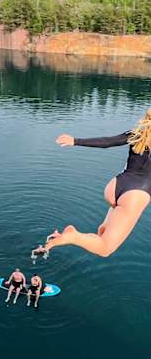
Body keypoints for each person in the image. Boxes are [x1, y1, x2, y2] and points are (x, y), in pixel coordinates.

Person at [34, 109, 151, 258]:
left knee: (101, 236)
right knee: (105, 249)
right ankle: (73, 236)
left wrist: (75, 141)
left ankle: (79, 233)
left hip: (117, 186)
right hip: (135, 195)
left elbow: (107, 142)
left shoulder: (138, 134)